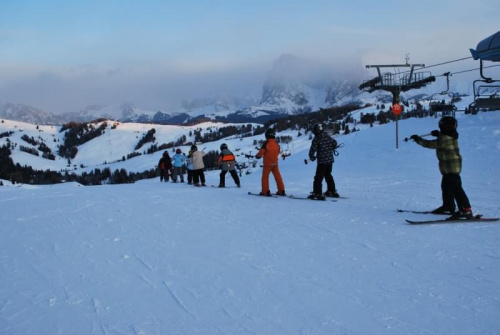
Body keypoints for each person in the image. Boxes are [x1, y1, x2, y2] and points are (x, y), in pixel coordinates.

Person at [410, 116, 473, 219]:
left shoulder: (445, 139)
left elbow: (430, 144)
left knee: (456, 189)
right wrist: (438, 134)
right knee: (446, 187)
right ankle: (448, 207)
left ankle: (466, 210)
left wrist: (418, 139)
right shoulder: (451, 135)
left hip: (451, 168)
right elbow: (443, 137)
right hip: (449, 168)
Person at [308, 123, 339, 200]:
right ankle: (331, 191)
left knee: (318, 177)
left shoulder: (316, 139)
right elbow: (334, 143)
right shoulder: (327, 136)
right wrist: (331, 147)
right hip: (330, 161)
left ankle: (317, 193)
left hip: (322, 162)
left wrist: (312, 157)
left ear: (316, 131)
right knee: (328, 175)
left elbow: (312, 150)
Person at [255, 128, 286, 196]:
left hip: (267, 164)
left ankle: (265, 191)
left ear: (267, 135)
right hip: (275, 163)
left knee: (265, 177)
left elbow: (261, 152)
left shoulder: (266, 143)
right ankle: (281, 190)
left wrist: (257, 156)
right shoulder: (276, 143)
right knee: (278, 176)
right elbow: (278, 152)